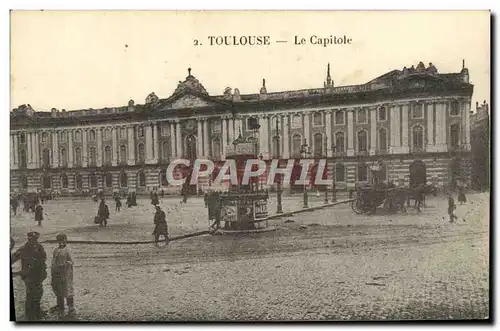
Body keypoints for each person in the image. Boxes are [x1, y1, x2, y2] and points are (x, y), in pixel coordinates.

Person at [11, 231, 47, 321]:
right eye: (32, 240)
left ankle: (37, 313)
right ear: (28, 239)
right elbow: (12, 259)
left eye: (35, 240)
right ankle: (30, 316)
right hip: (29, 277)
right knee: (30, 295)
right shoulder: (23, 249)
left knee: (38, 294)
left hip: (39, 276)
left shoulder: (39, 247)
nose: (34, 241)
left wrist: (43, 272)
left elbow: (43, 259)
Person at [50, 233, 75, 317]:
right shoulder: (56, 250)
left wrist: (67, 263)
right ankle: (60, 306)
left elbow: (72, 261)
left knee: (68, 289)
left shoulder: (68, 250)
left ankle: (70, 306)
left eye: (63, 241)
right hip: (58, 273)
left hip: (66, 273)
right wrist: (53, 271)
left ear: (65, 240)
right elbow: (53, 261)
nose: (61, 243)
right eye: (59, 241)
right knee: (59, 290)